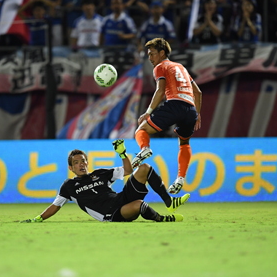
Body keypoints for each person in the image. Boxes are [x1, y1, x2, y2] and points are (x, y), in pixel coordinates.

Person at [20, 140, 190, 223]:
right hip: (111, 214)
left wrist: (122, 154)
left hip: (121, 198)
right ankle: (163, 219)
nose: (81, 165)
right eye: (76, 163)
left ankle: (169, 201)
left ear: (87, 162)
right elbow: (56, 205)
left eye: (83, 161)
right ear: (71, 168)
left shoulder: (100, 174)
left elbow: (128, 171)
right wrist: (38, 219)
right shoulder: (69, 186)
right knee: (138, 205)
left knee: (144, 168)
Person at [131, 38, 202, 195]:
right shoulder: (181, 67)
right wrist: (197, 114)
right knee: (184, 143)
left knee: (140, 130)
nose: (150, 58)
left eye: (152, 54)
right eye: (148, 55)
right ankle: (180, 179)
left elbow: (160, 91)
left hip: (174, 105)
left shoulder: (160, 67)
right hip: (190, 109)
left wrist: (148, 112)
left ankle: (144, 149)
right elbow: (197, 92)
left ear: (162, 53)